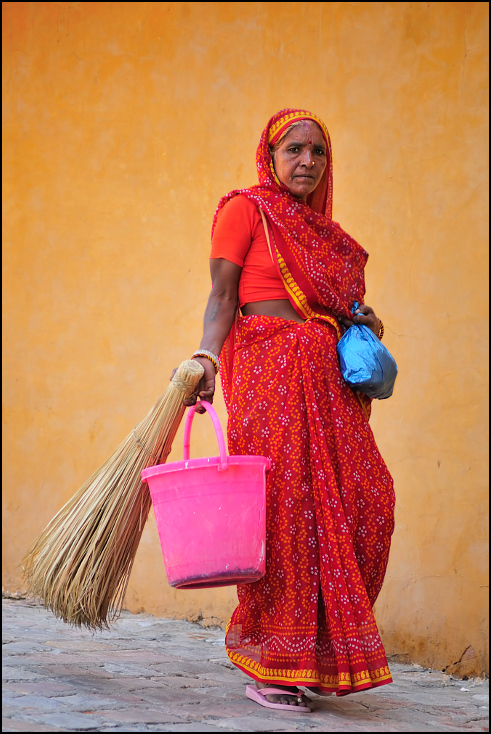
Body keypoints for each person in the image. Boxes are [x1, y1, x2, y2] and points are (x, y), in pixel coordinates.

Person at [185, 108, 395, 712]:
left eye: (318, 152)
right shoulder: (245, 210)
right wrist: (205, 356)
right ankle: (275, 659)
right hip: (267, 371)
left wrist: (360, 320)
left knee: (368, 498)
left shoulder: (323, 235)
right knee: (290, 511)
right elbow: (223, 295)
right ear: (270, 156)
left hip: (325, 379)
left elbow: (334, 303)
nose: (306, 162)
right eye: (292, 149)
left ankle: (321, 654)